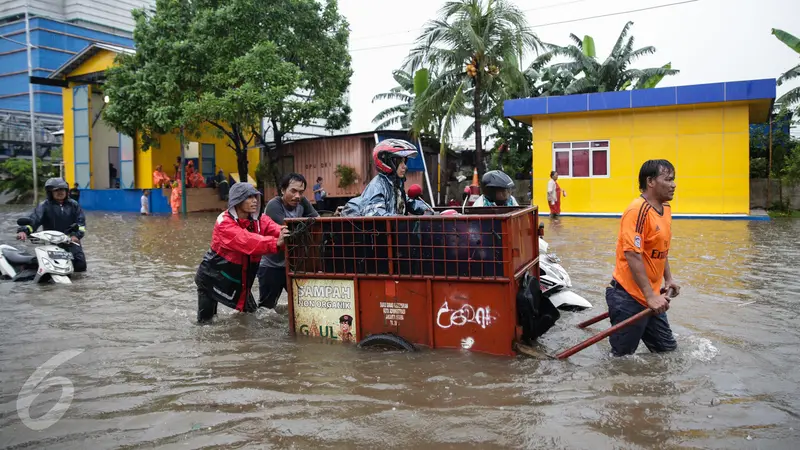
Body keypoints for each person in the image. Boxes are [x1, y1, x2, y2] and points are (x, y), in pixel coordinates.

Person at [606, 159, 679, 357]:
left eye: (674, 179)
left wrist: (669, 279)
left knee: (668, 353)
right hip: (628, 297)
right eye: (669, 179)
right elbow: (632, 255)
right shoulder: (637, 210)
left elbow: (660, 250)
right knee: (621, 360)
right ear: (651, 181)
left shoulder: (666, 210)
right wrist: (650, 297)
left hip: (651, 297)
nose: (674, 184)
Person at [194, 182, 290, 323]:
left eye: (256, 197)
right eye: (249, 197)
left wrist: (287, 233)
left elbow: (275, 229)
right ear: (237, 201)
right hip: (211, 278)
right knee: (206, 323)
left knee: (251, 317)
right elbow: (248, 241)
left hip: (240, 282)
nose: (255, 200)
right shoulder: (224, 223)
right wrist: (276, 243)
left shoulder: (260, 220)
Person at [258, 173, 319, 309]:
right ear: (283, 190)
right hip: (271, 266)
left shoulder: (302, 202)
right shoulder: (274, 205)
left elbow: (317, 222)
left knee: (303, 305)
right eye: (293, 191)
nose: (297, 196)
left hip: (292, 265)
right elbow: (288, 233)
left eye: (301, 192)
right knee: (266, 309)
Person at [16, 177, 87, 272]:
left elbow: (81, 223)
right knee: (46, 266)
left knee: (80, 266)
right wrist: (23, 231)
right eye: (56, 190)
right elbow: (34, 220)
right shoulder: (44, 205)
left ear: (66, 191)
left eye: (62, 189)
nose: (60, 192)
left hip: (70, 240)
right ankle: (24, 268)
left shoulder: (74, 205)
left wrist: (76, 236)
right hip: (50, 241)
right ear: (50, 192)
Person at [341, 139, 418, 217]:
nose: (405, 166)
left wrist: (426, 208)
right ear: (387, 162)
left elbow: (407, 202)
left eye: (404, 162)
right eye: (400, 162)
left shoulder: (395, 184)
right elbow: (375, 213)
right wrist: (397, 218)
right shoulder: (378, 186)